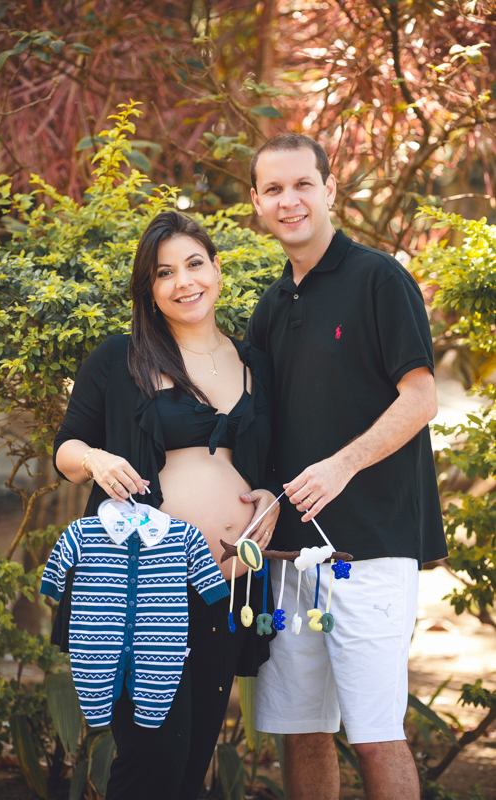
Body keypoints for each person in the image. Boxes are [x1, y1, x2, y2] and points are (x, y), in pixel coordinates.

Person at [245, 133, 447, 800]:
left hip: (370, 547)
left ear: (330, 189)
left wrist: (340, 465)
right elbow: (265, 425)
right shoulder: (272, 306)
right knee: (300, 730)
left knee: (373, 731)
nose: (289, 200)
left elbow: (420, 397)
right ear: (256, 203)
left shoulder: (377, 278)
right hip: (288, 558)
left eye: (302, 184)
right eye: (273, 188)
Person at [52, 210, 279, 800]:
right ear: (149, 290)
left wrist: (269, 499)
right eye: (164, 273)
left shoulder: (253, 362)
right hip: (139, 593)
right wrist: (96, 460)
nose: (184, 282)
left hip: (223, 588)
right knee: (151, 759)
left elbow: (268, 466)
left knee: (190, 761)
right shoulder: (119, 359)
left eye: (194, 264)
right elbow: (66, 447)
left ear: (216, 269)